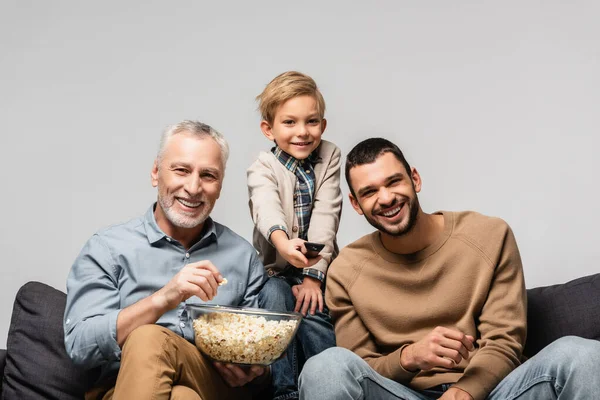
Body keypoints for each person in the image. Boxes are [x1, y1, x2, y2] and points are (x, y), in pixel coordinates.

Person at [299, 137, 600, 400]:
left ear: (414, 179)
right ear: (355, 203)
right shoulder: (346, 270)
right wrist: (410, 357)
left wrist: (465, 391)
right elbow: (359, 366)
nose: (386, 198)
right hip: (402, 394)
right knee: (325, 367)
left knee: (582, 355)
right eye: (369, 192)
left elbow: (504, 340)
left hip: (492, 391)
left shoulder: (489, 235)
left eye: (394, 182)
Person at [64, 120, 269, 400]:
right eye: (182, 170)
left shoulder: (243, 257)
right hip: (122, 385)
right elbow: (80, 345)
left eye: (208, 175)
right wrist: (162, 299)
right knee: (180, 394)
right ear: (155, 173)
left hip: (212, 385)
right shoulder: (109, 248)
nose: (194, 187)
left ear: (220, 185)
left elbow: (261, 354)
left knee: (150, 339)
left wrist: (255, 368)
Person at [247, 71, 340, 399]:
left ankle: (327, 385)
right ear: (268, 129)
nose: (302, 132)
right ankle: (283, 392)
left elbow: (327, 215)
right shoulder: (262, 166)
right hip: (275, 267)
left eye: (311, 121)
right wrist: (282, 242)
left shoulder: (329, 156)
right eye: (289, 123)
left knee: (313, 312)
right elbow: (265, 206)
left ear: (323, 125)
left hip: (317, 268)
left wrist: (314, 276)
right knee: (274, 301)